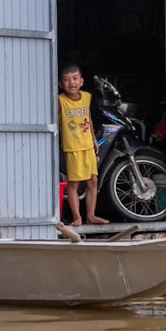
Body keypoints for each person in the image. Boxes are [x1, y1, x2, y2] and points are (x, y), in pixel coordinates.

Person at [57, 64, 110, 225]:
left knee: (93, 181)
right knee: (73, 183)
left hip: (87, 146)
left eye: (74, 79)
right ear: (60, 84)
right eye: (66, 80)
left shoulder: (87, 97)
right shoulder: (60, 101)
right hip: (72, 147)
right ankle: (77, 217)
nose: (71, 83)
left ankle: (91, 215)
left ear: (81, 81)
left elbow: (89, 119)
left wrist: (94, 140)